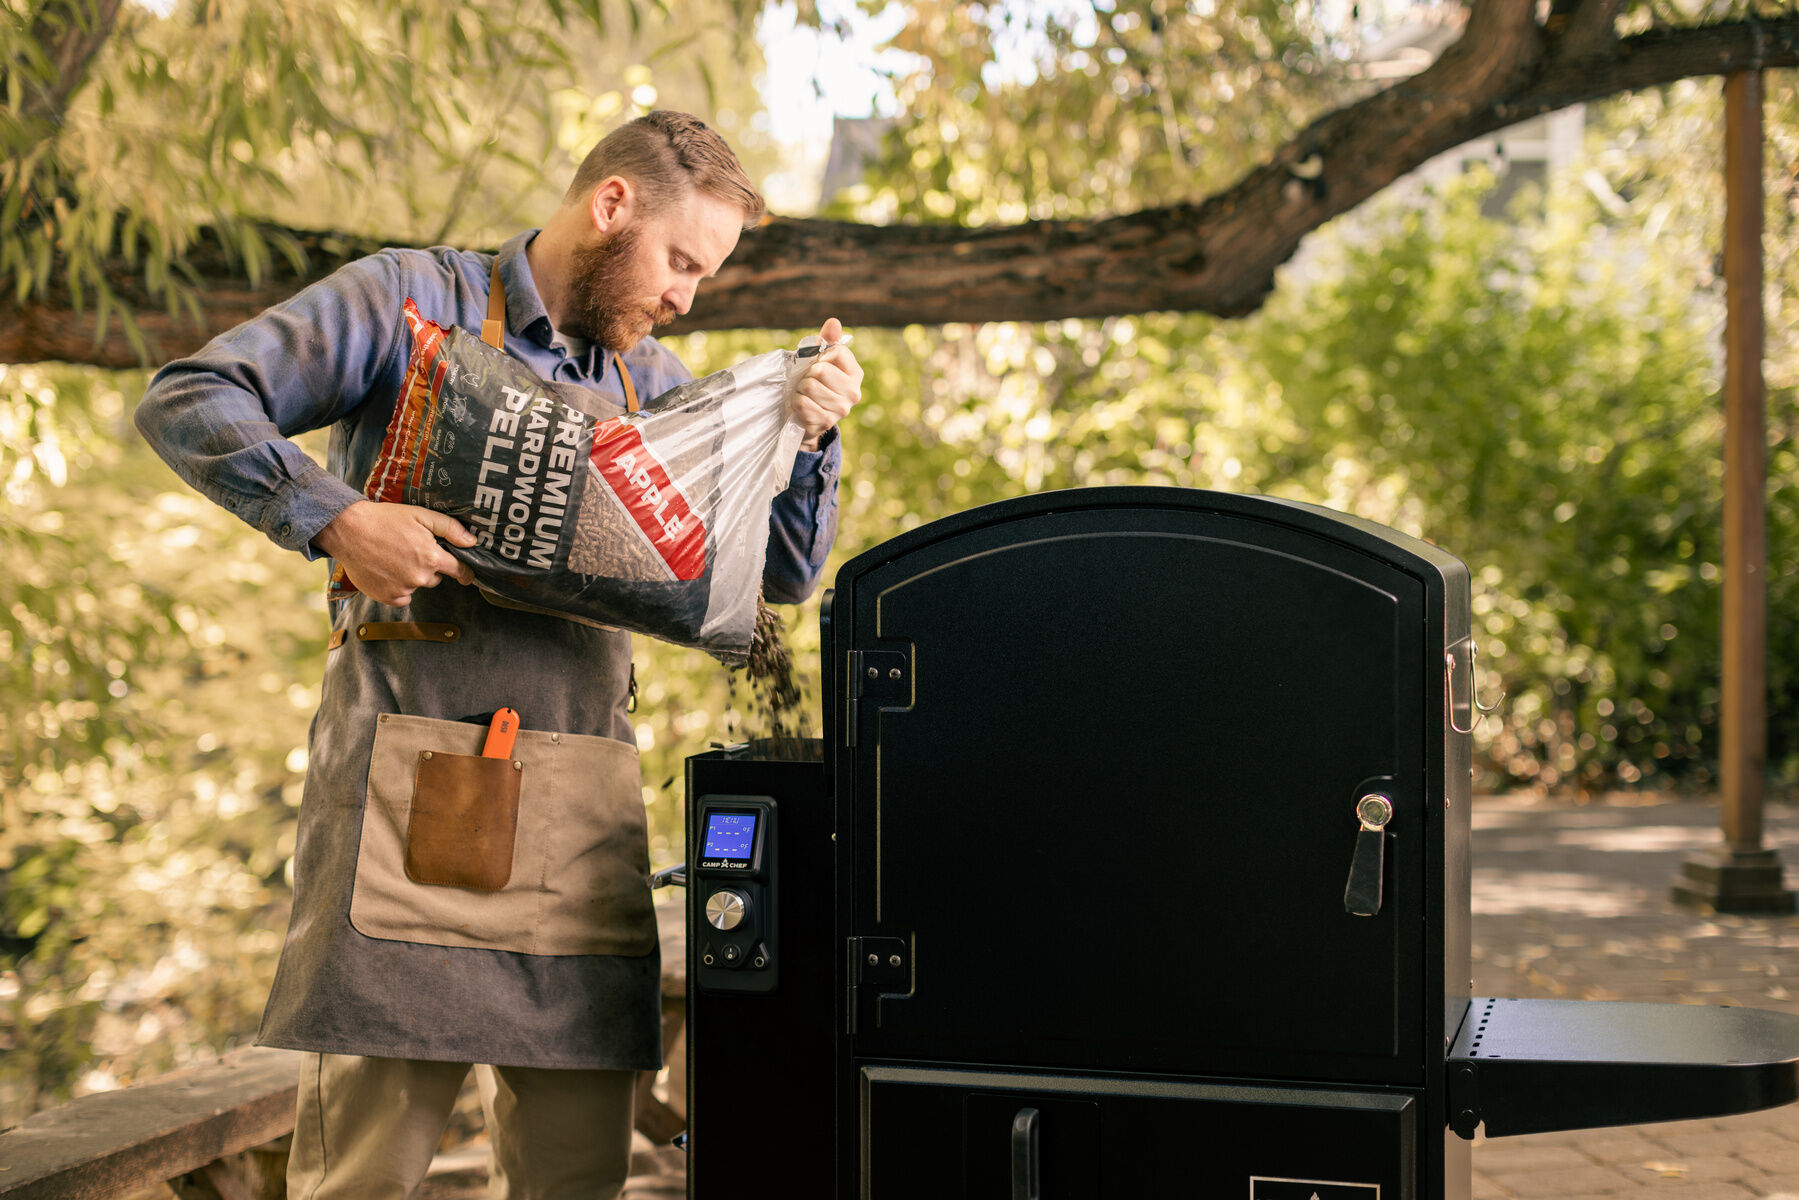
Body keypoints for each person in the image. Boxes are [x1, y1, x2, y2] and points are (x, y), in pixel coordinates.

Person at [134, 110, 863, 1199]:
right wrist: (335, 518)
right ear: (610, 205)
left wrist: (806, 439)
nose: (684, 298)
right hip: (405, 808)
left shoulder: (656, 390)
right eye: (679, 263)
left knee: (576, 1181)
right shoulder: (402, 302)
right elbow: (190, 397)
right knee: (362, 1180)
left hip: (581, 821)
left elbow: (782, 576)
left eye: (701, 277)